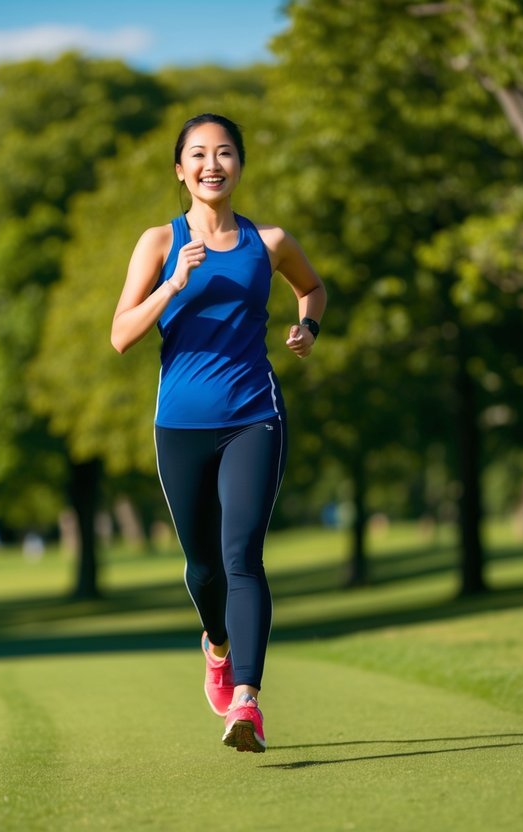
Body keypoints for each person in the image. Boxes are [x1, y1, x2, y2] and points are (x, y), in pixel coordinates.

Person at [111, 113, 327, 753]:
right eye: (198, 154)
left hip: (254, 415)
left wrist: (308, 328)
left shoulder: (271, 240)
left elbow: (311, 289)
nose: (212, 164)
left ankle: (248, 702)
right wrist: (173, 282)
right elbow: (122, 334)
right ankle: (217, 645)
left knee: (241, 558)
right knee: (203, 568)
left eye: (225, 152)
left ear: (239, 165)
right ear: (181, 170)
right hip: (178, 424)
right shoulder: (158, 242)